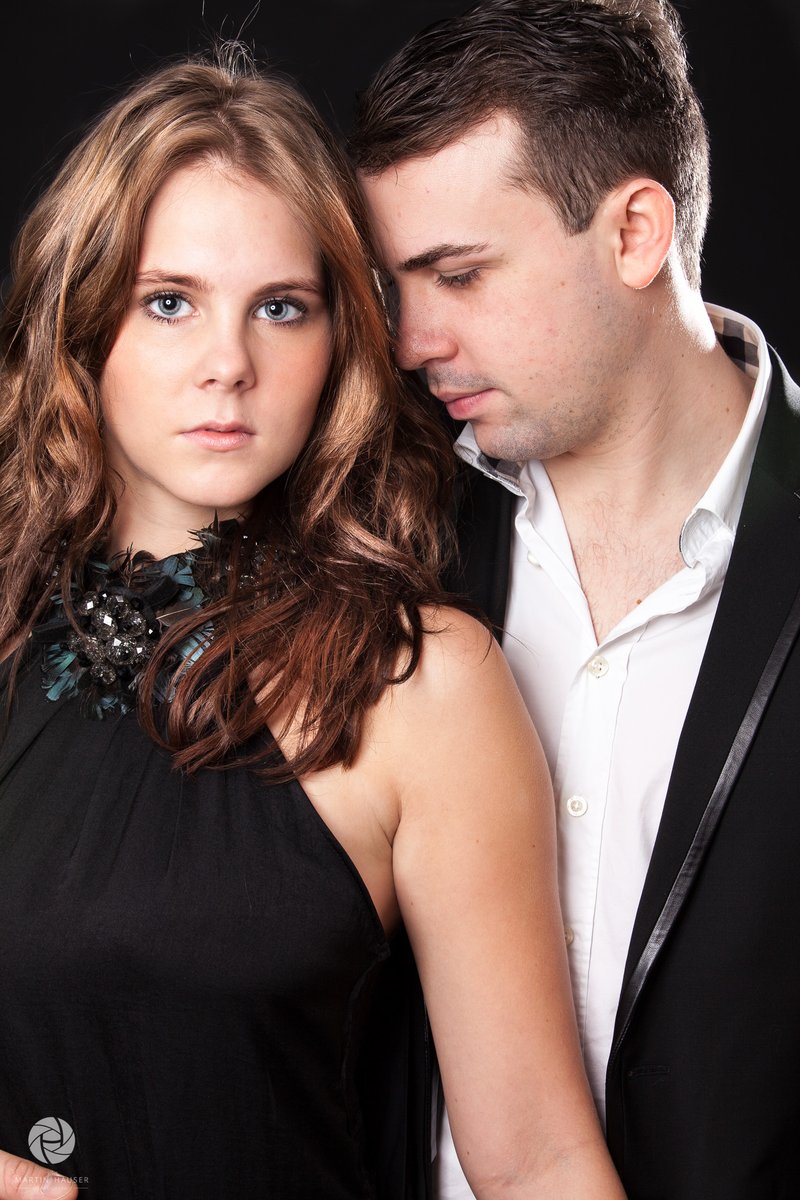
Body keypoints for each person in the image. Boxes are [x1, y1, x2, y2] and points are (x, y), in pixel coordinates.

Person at [0, 46, 626, 1200]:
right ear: (83, 319)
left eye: (280, 308)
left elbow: (537, 1163)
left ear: (340, 340)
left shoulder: (420, 684)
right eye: (169, 302)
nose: (227, 366)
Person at [350, 1, 800, 1198]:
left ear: (634, 232)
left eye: (457, 274)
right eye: (396, 285)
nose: (410, 340)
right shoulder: (375, 534)